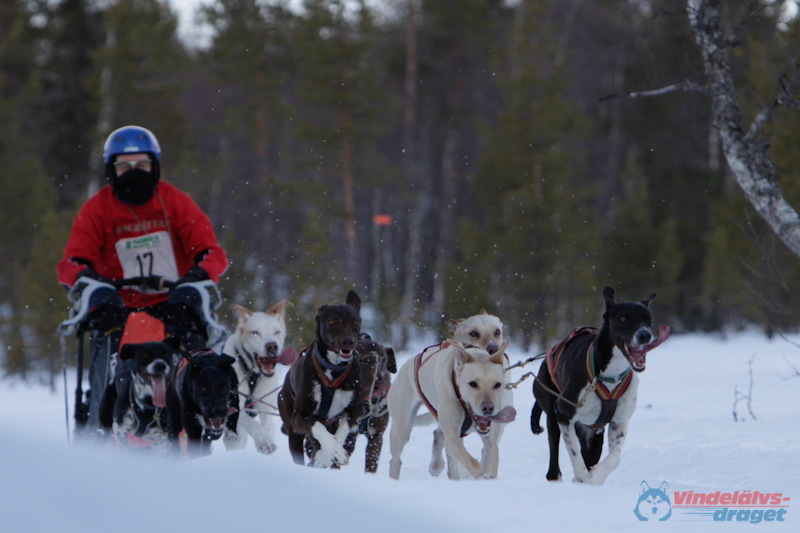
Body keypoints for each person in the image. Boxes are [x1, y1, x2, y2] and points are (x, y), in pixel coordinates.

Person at [57, 125, 228, 429]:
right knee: (106, 339)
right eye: (124, 166)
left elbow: (213, 254)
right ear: (112, 169)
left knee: (190, 338)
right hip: (118, 307)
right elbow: (70, 262)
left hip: (172, 303)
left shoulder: (174, 202)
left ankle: (191, 424)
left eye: (141, 165)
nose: (134, 172)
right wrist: (94, 285)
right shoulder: (98, 207)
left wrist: (195, 279)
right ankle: (104, 423)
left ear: (154, 166)